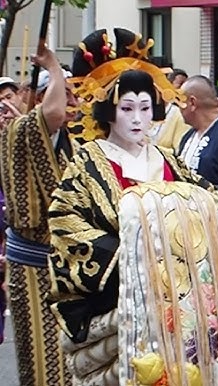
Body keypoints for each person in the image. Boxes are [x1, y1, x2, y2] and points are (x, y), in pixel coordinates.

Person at [48, 28, 218, 386]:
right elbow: (65, 224)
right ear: (108, 111)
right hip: (127, 302)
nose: (137, 119)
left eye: (145, 108)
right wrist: (137, 257)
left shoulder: (168, 159)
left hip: (180, 304)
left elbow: (207, 201)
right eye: (127, 109)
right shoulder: (88, 164)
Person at [0, 45, 77, 386]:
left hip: (60, 265)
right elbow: (55, 113)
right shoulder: (24, 131)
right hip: (34, 264)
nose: (73, 103)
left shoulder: (66, 140)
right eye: (66, 93)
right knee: (45, 362)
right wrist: (53, 64)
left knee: (64, 360)